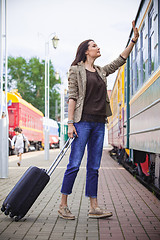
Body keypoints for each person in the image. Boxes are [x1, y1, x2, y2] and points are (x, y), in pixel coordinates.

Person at [58, 21, 139, 220]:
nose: (98, 48)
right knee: (74, 164)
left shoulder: (101, 71)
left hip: (98, 123)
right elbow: (73, 97)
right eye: (94, 45)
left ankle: (94, 207)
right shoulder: (76, 70)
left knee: (94, 166)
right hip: (82, 123)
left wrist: (133, 41)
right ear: (86, 51)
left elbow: (120, 60)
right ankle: (63, 205)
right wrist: (70, 123)